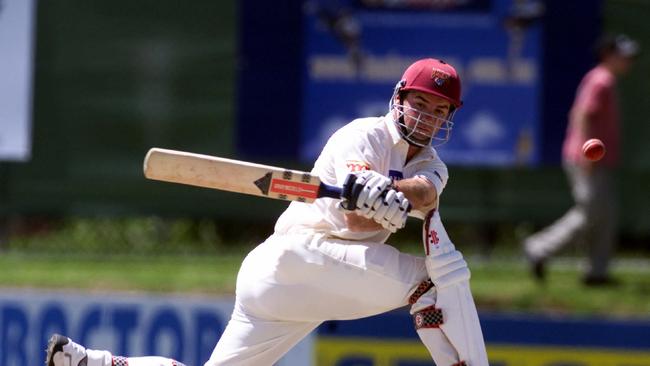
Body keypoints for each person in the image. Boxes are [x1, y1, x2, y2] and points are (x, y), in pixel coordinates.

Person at [46, 58, 489, 366]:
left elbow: (426, 194)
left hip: (300, 287)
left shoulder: (432, 164)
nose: (428, 117)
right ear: (399, 98)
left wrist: (393, 192)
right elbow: (354, 219)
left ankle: (92, 360)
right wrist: (375, 199)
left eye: (439, 111)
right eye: (420, 104)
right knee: (430, 283)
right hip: (300, 255)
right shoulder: (363, 136)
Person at [524, 34, 639, 286]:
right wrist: (588, 156)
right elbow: (582, 115)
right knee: (590, 213)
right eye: (624, 56)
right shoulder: (601, 80)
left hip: (599, 161)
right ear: (609, 55)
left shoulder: (606, 80)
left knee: (606, 215)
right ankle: (539, 248)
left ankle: (597, 273)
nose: (629, 61)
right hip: (588, 160)